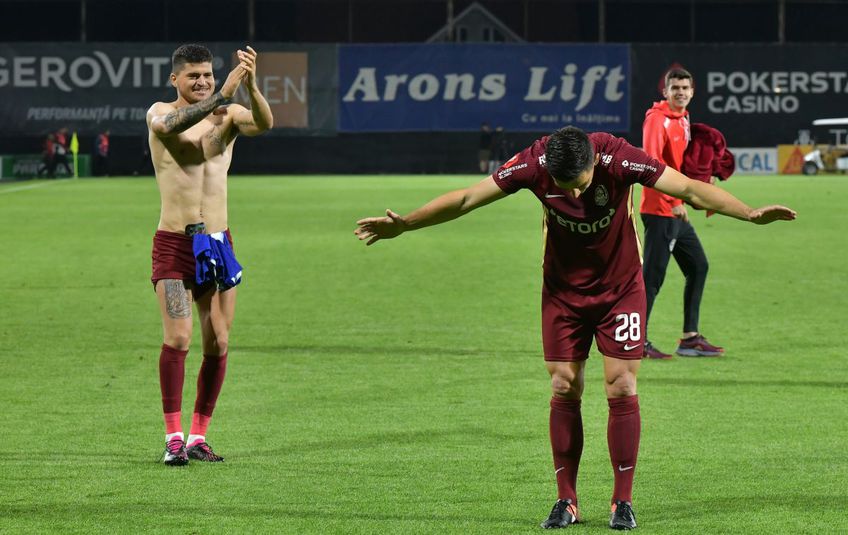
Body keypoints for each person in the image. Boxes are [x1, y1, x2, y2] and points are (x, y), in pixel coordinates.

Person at [354, 126, 795, 530]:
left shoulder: (619, 158)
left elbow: (687, 188)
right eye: (567, 189)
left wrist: (750, 213)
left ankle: (622, 501)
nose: (578, 194)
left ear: (592, 162)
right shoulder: (532, 163)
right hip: (563, 292)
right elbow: (469, 198)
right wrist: (406, 224)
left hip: (621, 288)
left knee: (621, 385)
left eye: (582, 183)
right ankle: (567, 500)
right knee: (564, 386)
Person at [146, 43, 273, 466]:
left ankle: (200, 435)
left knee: (218, 341)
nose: (202, 82)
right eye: (193, 76)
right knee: (179, 336)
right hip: (175, 245)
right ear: (174, 79)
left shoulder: (229, 116)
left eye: (208, 75)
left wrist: (251, 87)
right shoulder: (160, 111)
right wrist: (221, 96)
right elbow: (168, 127)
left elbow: (264, 123)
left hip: (217, 246)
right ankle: (173, 437)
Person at [641, 67, 720, 359]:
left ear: (692, 91)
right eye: (675, 88)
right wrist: (673, 200)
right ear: (665, 91)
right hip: (660, 209)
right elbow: (652, 164)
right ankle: (637, 342)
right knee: (651, 279)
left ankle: (690, 338)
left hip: (676, 209)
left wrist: (703, 179)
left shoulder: (684, 118)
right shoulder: (657, 120)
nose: (681, 93)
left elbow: (681, 163)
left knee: (698, 266)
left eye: (685, 88)